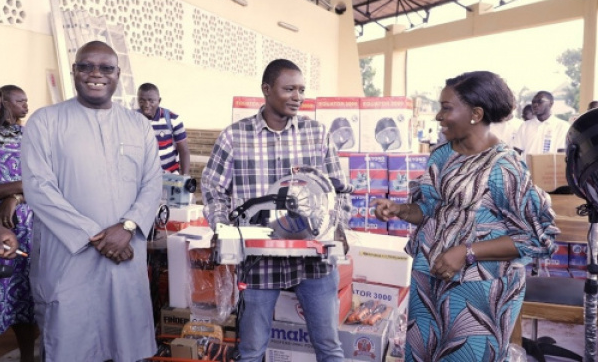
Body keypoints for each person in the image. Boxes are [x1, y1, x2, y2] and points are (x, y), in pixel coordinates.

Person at [373, 71, 559, 361]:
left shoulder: (504, 168)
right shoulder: (441, 156)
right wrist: (399, 210)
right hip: (428, 284)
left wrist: (467, 252)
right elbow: (430, 209)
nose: (438, 115)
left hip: (476, 297)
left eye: (446, 107)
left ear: (475, 114)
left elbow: (537, 237)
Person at [201, 59, 352, 362]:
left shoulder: (317, 134)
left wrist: (336, 227)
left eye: (301, 90)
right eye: (289, 89)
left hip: (314, 262)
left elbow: (340, 190)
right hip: (260, 262)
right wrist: (223, 229)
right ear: (267, 90)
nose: (298, 96)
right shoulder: (234, 137)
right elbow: (213, 189)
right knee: (252, 350)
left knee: (329, 347)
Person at [21, 41, 163, 361]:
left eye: (106, 68)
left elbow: (153, 183)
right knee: (71, 342)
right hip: (69, 258)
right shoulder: (45, 122)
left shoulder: (138, 125)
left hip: (125, 258)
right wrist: (96, 235)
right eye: (86, 66)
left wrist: (128, 226)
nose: (95, 74)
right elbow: (39, 188)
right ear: (74, 72)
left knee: (125, 344)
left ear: (118, 74)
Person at [0, 85, 36, 362]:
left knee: (24, 298)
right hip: (0, 234)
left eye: (26, 101)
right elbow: (33, 180)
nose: (25, 106)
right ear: (4, 102)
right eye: (19, 101)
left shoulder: (27, 136)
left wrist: (16, 197)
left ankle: (26, 357)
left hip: (25, 229)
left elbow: (44, 181)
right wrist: (22, 186)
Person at [137, 82, 190, 175]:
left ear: (159, 101)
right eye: (142, 101)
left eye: (151, 101)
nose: (146, 105)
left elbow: (184, 150)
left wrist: (184, 178)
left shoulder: (172, 119)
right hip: (142, 177)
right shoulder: (132, 119)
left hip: (169, 176)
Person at [513, 91, 570, 160]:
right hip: (527, 170)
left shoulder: (562, 126)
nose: (535, 104)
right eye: (533, 102)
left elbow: (561, 155)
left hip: (550, 170)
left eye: (540, 101)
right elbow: (516, 152)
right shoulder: (525, 126)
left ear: (550, 104)